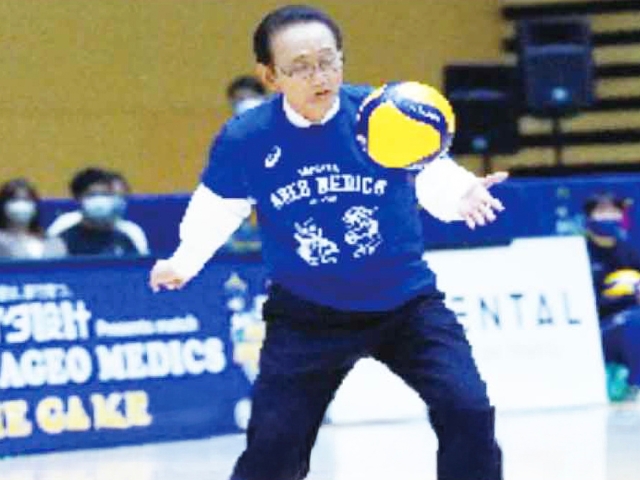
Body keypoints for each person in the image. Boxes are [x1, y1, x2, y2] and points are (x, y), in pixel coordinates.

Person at [150, 5, 506, 480]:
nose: (319, 76)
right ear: (270, 76)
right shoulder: (247, 137)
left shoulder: (379, 113)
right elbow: (219, 208)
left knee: (468, 409)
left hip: (406, 303)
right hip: (308, 314)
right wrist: (184, 261)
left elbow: (429, 170)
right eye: (301, 67)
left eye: (328, 61)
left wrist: (462, 194)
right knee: (274, 447)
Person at [583, 192, 640, 399]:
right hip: (599, 328)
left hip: (630, 316)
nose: (609, 217)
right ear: (589, 217)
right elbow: (585, 304)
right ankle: (635, 386)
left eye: (613, 211)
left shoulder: (629, 251)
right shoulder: (582, 253)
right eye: (602, 211)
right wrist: (629, 297)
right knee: (635, 321)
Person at [47, 168, 150, 255]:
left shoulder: (124, 239)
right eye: (92, 195)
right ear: (79, 199)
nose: (100, 200)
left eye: (105, 194)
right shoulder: (60, 242)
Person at [0, 178, 66, 259]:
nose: (21, 205)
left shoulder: (54, 242)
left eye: (27, 200)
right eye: (15, 200)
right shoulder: (2, 240)